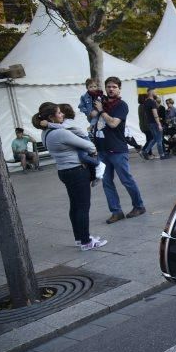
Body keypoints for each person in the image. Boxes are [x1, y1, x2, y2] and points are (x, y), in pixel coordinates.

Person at [34, 102, 107, 251]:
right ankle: (86, 241)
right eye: (59, 113)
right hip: (76, 170)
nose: (62, 115)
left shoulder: (46, 133)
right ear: (51, 117)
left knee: (75, 206)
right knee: (83, 207)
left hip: (64, 170)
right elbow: (90, 146)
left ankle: (80, 238)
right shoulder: (61, 132)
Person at [90, 76, 146, 224]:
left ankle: (139, 206)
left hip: (117, 150)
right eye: (108, 86)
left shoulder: (121, 105)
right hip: (102, 151)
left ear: (119, 89)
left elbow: (114, 124)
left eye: (114, 86)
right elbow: (91, 117)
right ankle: (116, 212)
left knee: (126, 180)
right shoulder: (101, 103)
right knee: (106, 183)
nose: (111, 89)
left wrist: (102, 111)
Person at [141, 88, 168, 160]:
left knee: (155, 139)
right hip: (155, 123)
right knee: (159, 139)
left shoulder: (146, 102)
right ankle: (162, 155)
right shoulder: (152, 102)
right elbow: (155, 114)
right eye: (155, 92)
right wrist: (159, 124)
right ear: (151, 92)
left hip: (149, 123)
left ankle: (145, 151)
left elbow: (146, 114)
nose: (156, 93)